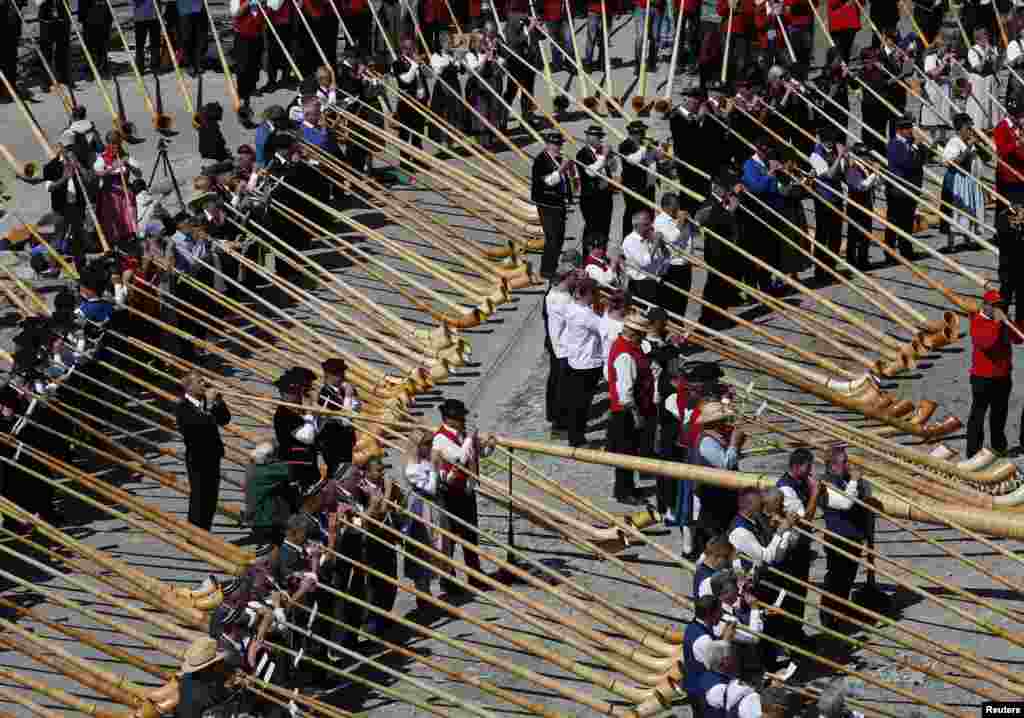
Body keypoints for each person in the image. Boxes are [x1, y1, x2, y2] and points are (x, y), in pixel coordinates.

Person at [432, 398, 496, 594]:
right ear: (449, 420)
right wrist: (470, 440)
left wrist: (488, 446)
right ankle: (447, 577)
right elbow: (459, 457)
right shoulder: (440, 439)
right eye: (460, 418)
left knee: (470, 533)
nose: (463, 421)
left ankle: (474, 574)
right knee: (450, 536)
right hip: (450, 492)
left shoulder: (462, 435)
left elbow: (477, 454)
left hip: (466, 490)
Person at [606, 313, 656, 504]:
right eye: (641, 334)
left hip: (627, 409)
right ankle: (624, 492)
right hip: (627, 411)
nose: (643, 338)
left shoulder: (621, 346)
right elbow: (625, 390)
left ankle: (628, 488)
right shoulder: (626, 354)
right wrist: (636, 415)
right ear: (634, 334)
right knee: (625, 453)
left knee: (629, 451)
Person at [967, 289, 1024, 457]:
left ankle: (999, 448)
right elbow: (987, 344)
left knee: (999, 414)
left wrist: (1012, 323)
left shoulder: (1002, 321)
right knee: (978, 415)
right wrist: (1000, 324)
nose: (999, 308)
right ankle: (973, 451)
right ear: (985, 306)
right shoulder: (977, 321)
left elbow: (1018, 339)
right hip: (982, 378)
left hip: (1003, 376)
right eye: (995, 305)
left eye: (1001, 305)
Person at [775, 448, 820, 646]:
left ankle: (796, 631)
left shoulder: (801, 482)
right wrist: (815, 493)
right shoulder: (786, 489)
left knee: (801, 590)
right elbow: (806, 520)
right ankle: (791, 636)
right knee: (792, 592)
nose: (811, 470)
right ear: (796, 466)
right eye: (807, 466)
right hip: (791, 549)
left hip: (801, 545)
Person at [175, 372, 231, 531]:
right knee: (199, 497)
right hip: (197, 458)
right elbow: (198, 425)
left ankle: (205, 530)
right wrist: (211, 405)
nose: (204, 384)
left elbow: (225, 419)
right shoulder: (182, 407)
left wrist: (218, 403)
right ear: (189, 387)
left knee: (212, 497)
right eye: (199, 382)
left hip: (213, 455)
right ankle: (194, 533)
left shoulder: (207, 401)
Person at [819, 445, 866, 631]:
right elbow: (846, 503)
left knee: (848, 579)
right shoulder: (826, 483)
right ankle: (828, 618)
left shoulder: (844, 480)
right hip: (838, 539)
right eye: (844, 461)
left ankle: (840, 614)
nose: (848, 464)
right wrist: (854, 481)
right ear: (833, 465)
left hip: (853, 538)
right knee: (835, 580)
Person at [561, 277, 605, 448]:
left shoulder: (571, 307)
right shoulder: (586, 315)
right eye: (593, 294)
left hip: (574, 359)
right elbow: (603, 328)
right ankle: (577, 439)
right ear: (586, 294)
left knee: (575, 401)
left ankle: (573, 433)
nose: (595, 297)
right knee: (582, 404)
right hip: (587, 363)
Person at [940, 113, 989, 253]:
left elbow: (987, 158)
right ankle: (951, 243)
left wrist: (981, 145)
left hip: (971, 182)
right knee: (956, 210)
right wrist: (969, 147)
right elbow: (953, 162)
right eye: (968, 128)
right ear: (960, 128)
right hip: (957, 181)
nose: (970, 131)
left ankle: (968, 239)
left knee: (970, 210)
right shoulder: (954, 142)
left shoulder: (970, 142)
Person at [807, 126, 847, 282]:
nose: (831, 143)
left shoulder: (835, 151)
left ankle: (832, 268)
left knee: (836, 234)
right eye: (829, 141)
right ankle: (820, 270)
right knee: (823, 234)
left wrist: (844, 157)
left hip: (837, 197)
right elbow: (829, 174)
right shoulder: (815, 155)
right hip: (823, 199)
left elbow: (842, 172)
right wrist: (840, 157)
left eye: (833, 140)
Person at [531, 132, 572, 280]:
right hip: (547, 204)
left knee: (559, 238)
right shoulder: (541, 160)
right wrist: (562, 169)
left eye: (559, 144)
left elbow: (565, 181)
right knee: (552, 238)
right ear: (547, 144)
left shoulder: (558, 159)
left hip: (558, 203)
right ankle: (547, 271)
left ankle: (553, 267)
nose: (557, 147)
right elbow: (548, 181)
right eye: (554, 144)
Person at [273, 366, 320, 490]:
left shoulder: (299, 411)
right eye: (303, 391)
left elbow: (315, 432)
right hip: (297, 469)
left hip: (308, 465)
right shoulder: (283, 414)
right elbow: (307, 437)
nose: (303, 396)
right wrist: (310, 413)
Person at [886, 117, 926, 260]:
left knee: (907, 222)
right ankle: (889, 252)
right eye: (907, 129)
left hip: (912, 187)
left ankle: (906, 251)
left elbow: (921, 160)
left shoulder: (909, 143)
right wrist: (915, 146)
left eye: (911, 128)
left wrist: (920, 146)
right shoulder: (894, 144)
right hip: (898, 189)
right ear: (899, 130)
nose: (910, 131)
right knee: (894, 222)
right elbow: (906, 163)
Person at [544, 264, 577, 434]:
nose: (576, 279)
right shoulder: (562, 299)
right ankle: (560, 425)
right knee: (563, 390)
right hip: (564, 349)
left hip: (560, 347)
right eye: (574, 276)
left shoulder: (554, 293)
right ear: (567, 277)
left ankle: (557, 418)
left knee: (558, 385)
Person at [94, 130, 142, 246]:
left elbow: (139, 174)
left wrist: (127, 164)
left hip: (125, 194)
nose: (115, 145)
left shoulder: (126, 157)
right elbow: (98, 173)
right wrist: (113, 167)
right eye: (112, 143)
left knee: (128, 221)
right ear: (108, 143)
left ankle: (131, 239)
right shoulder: (102, 158)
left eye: (117, 142)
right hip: (110, 194)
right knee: (112, 223)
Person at [393, 36, 430, 181]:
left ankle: (417, 159)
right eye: (407, 48)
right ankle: (404, 163)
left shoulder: (417, 62)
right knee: (404, 135)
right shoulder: (397, 63)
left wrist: (423, 65)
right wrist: (415, 65)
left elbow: (429, 75)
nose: (411, 51)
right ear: (402, 49)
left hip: (420, 102)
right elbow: (405, 80)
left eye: (412, 48)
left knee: (418, 133)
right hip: (406, 104)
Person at [317, 358, 359, 480]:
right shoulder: (325, 394)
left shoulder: (344, 389)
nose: (341, 377)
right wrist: (348, 397)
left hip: (346, 438)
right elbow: (345, 416)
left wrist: (351, 397)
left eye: (342, 373)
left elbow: (357, 409)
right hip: (332, 441)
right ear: (328, 375)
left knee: (347, 470)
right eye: (337, 374)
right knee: (337, 473)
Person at [177, 637, 241, 718]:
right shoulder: (205, 695)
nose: (221, 663)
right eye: (219, 662)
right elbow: (221, 697)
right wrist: (233, 687)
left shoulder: (187, 677)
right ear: (211, 666)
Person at [618, 121, 661, 241]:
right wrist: (644, 149)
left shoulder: (643, 144)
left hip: (648, 187)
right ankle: (628, 241)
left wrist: (656, 150)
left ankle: (647, 239)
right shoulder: (625, 145)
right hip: (633, 188)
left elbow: (654, 160)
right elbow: (632, 160)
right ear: (635, 133)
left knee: (649, 215)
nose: (643, 134)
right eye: (641, 132)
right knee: (634, 216)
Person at [653, 193, 693, 318]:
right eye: (676, 206)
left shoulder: (680, 218)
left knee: (683, 301)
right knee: (671, 301)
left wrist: (689, 222)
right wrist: (680, 222)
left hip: (685, 263)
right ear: (667, 207)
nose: (678, 209)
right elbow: (672, 239)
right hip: (672, 266)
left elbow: (691, 236)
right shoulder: (660, 221)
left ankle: (679, 326)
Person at [699, 640, 762, 718]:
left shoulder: (717, 674)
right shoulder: (715, 686)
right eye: (733, 655)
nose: (736, 657)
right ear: (724, 660)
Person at [577, 125, 617, 247]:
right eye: (596, 136)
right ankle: (587, 258)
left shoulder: (601, 153)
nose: (600, 139)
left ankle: (601, 255)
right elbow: (590, 172)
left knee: (605, 229)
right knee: (592, 230)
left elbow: (614, 169)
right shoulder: (582, 154)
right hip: (591, 198)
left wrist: (611, 158)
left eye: (600, 137)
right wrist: (604, 156)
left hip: (605, 195)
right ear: (588, 137)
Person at [621, 210, 670, 305]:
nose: (650, 227)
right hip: (641, 285)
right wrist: (656, 243)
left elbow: (665, 257)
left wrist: (662, 245)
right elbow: (644, 262)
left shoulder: (649, 238)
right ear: (636, 225)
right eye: (646, 224)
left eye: (650, 223)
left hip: (655, 281)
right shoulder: (630, 241)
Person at [843, 144, 879, 270]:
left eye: (866, 155)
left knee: (866, 234)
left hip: (867, 204)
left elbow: (875, 184)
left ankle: (863, 260)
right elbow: (861, 186)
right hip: (856, 206)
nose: (866, 158)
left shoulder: (866, 168)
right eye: (863, 156)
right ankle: (851, 261)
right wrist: (874, 174)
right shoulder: (853, 168)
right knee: (854, 234)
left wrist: (876, 175)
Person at [682, 594, 723, 704]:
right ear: (710, 614)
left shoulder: (693, 626)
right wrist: (726, 640)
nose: (722, 615)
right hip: (704, 693)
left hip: (697, 687)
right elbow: (720, 666)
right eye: (720, 611)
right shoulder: (703, 640)